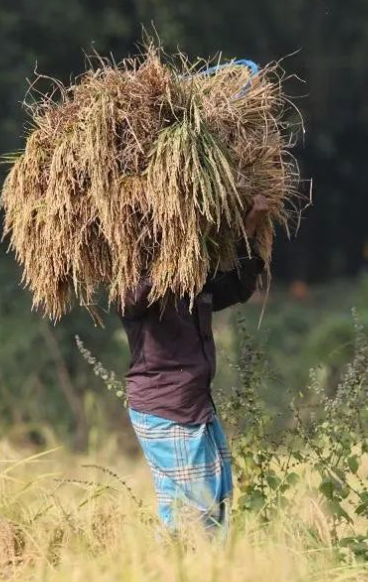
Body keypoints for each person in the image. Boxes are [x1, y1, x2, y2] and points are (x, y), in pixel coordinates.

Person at [119, 195, 272, 533]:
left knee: (215, 502)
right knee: (193, 515)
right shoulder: (134, 284)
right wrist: (173, 248)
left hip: (195, 407)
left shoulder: (195, 283)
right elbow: (131, 297)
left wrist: (249, 227)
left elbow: (237, 286)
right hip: (165, 408)